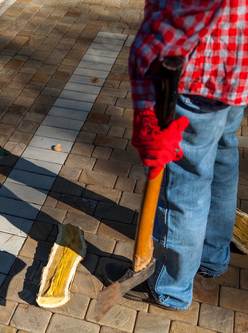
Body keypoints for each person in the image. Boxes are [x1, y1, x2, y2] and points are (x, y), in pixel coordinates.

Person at [105, 0, 247, 310]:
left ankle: (170, 286)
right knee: (223, 153)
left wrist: (144, 92)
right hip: (238, 64)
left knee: (186, 181)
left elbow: (176, 20)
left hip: (196, 71)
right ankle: (211, 257)